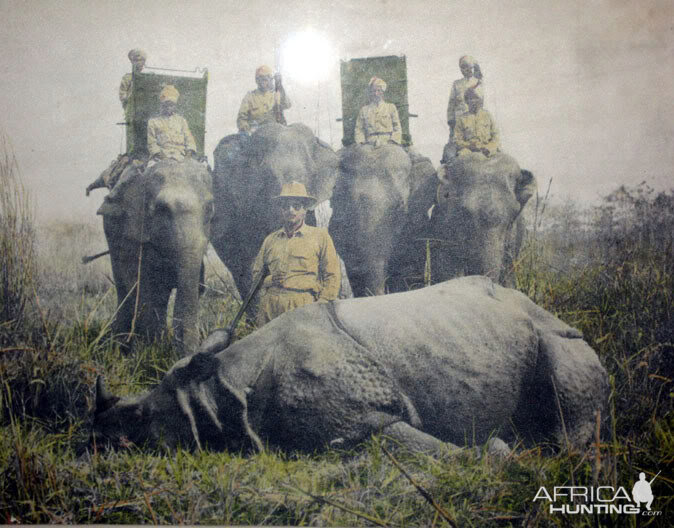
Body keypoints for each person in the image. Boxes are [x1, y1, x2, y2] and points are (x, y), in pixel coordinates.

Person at [252, 182, 340, 327]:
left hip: (303, 306)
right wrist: (270, 279)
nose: (290, 210)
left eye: (296, 206)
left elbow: (333, 276)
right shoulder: (270, 240)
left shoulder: (320, 237)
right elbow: (256, 275)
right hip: (270, 307)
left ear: (305, 210)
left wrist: (321, 306)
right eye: (285, 206)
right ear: (280, 210)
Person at [147, 85, 197, 162]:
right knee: (151, 171)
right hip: (160, 157)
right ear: (162, 105)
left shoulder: (181, 121)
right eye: (166, 104)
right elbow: (152, 143)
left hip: (181, 156)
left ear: (175, 106)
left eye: (171, 105)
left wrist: (188, 156)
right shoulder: (153, 122)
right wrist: (163, 158)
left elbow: (189, 140)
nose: (168, 107)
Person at [237, 65, 291, 134]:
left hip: (275, 130)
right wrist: (248, 129)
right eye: (261, 79)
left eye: (266, 79)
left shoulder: (276, 93)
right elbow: (241, 118)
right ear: (256, 80)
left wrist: (279, 86)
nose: (263, 82)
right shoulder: (250, 96)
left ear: (270, 80)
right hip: (255, 131)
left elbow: (287, 104)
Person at [453, 86, 500, 158]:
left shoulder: (488, 116)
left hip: (487, 149)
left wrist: (488, 147)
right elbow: (457, 140)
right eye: (471, 98)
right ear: (466, 101)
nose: (474, 101)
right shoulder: (462, 119)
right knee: (461, 158)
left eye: (476, 98)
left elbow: (496, 136)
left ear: (481, 100)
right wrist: (469, 146)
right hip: (468, 150)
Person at [354, 77, 402, 147]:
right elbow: (359, 129)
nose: (376, 93)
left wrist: (393, 141)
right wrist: (361, 142)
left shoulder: (391, 107)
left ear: (383, 92)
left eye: (379, 90)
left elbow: (397, 127)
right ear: (370, 93)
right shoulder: (364, 110)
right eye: (373, 91)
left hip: (388, 143)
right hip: (369, 143)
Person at [446, 55, 482, 138]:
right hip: (458, 122)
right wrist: (451, 121)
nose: (467, 70)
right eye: (464, 67)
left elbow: (482, 103)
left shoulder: (479, 83)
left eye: (470, 67)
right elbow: (451, 104)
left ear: (474, 67)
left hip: (474, 122)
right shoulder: (456, 84)